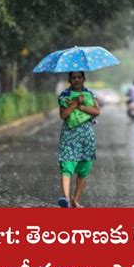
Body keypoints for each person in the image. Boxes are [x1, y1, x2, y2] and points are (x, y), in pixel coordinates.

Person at [57, 71, 101, 208]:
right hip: (69, 136)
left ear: (84, 79)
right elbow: (63, 115)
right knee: (66, 165)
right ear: (69, 80)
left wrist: (81, 106)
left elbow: (97, 112)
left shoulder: (90, 94)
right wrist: (74, 103)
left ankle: (75, 200)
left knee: (83, 169)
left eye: (79, 77)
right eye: (73, 78)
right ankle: (66, 198)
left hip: (86, 137)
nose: (76, 80)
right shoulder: (64, 96)